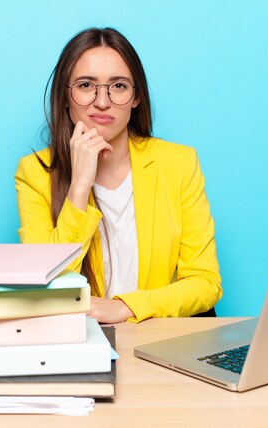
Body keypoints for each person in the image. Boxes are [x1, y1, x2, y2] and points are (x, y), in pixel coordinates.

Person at [15, 27, 222, 323]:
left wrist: (126, 307)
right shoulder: (34, 174)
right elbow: (45, 287)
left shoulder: (178, 163)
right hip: (77, 340)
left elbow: (205, 282)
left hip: (154, 336)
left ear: (136, 98)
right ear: (65, 96)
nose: (102, 101)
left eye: (119, 86)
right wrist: (79, 187)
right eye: (86, 85)